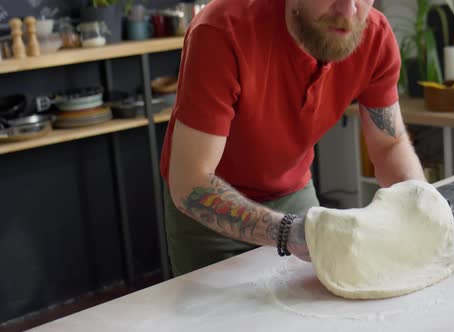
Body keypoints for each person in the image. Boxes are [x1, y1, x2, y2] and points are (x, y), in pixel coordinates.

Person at [160, 0, 426, 276]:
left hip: (292, 193)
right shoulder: (221, 29)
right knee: (218, 316)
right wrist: (290, 231)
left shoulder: (374, 36)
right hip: (210, 211)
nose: (348, 11)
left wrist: (421, 204)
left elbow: (389, 145)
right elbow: (191, 183)